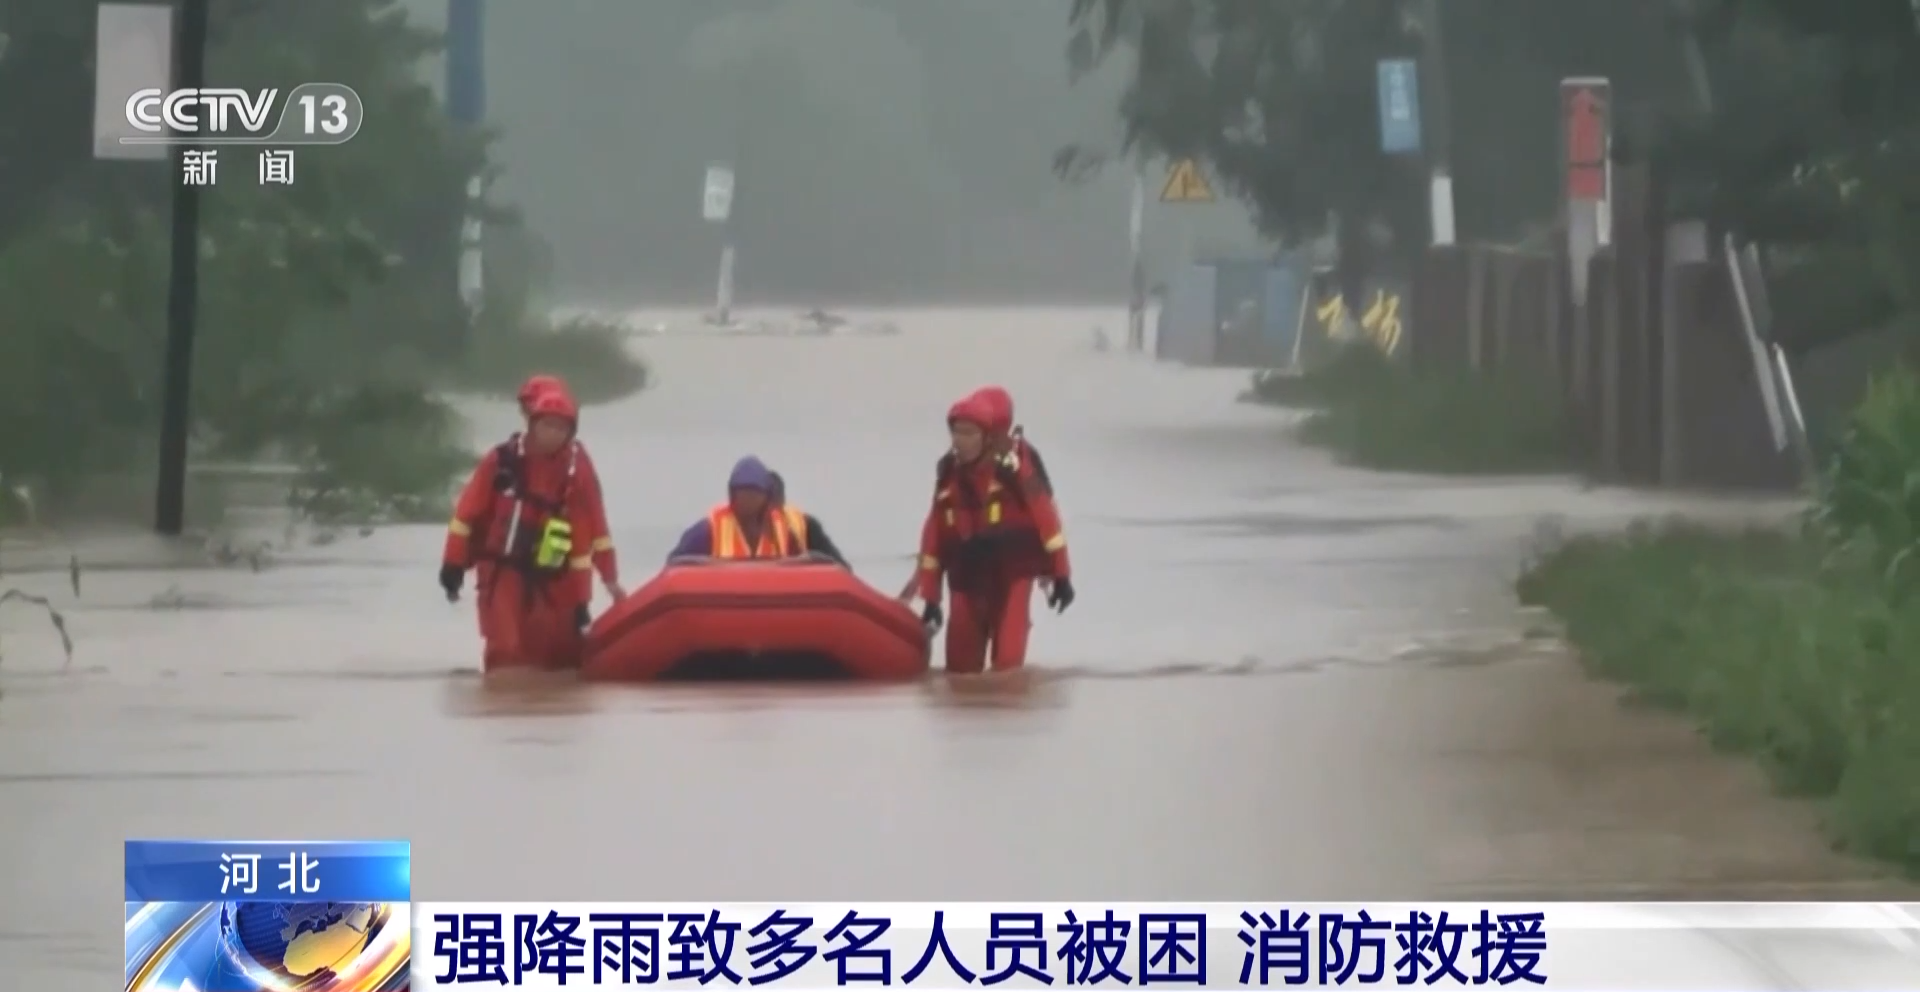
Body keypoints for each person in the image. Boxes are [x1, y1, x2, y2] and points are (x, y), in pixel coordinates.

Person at [908, 388, 1075, 673]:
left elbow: (1048, 521)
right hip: (967, 575)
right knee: (959, 672)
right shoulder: (949, 476)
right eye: (956, 433)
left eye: (969, 433)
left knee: (1007, 669)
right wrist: (931, 599)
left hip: (1013, 573)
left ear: (989, 438)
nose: (959, 442)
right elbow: (934, 538)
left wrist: (1061, 576)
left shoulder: (1017, 472)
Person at [440, 388, 605, 671]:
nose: (553, 434)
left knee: (557, 655)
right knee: (505, 650)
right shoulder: (500, 461)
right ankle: (502, 704)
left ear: (571, 433)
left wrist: (581, 601)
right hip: (502, 572)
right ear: (532, 424)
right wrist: (452, 564)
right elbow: (464, 517)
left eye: (561, 428)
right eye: (547, 425)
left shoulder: (573, 474)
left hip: (550, 573)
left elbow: (580, 548)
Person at [517, 375, 623, 602]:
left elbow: (597, 525)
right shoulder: (509, 457)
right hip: (512, 574)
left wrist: (610, 578)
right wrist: (455, 564)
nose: (524, 414)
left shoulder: (577, 466)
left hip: (564, 581)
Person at [668, 456, 811, 559]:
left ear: (766, 497)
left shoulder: (783, 529)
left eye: (753, 494)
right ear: (732, 495)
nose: (747, 500)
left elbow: (804, 566)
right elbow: (676, 563)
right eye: (741, 493)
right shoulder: (711, 529)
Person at [765, 471, 849, 566]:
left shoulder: (805, 525)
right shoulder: (746, 528)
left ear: (782, 500)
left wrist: (811, 558)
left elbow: (842, 567)